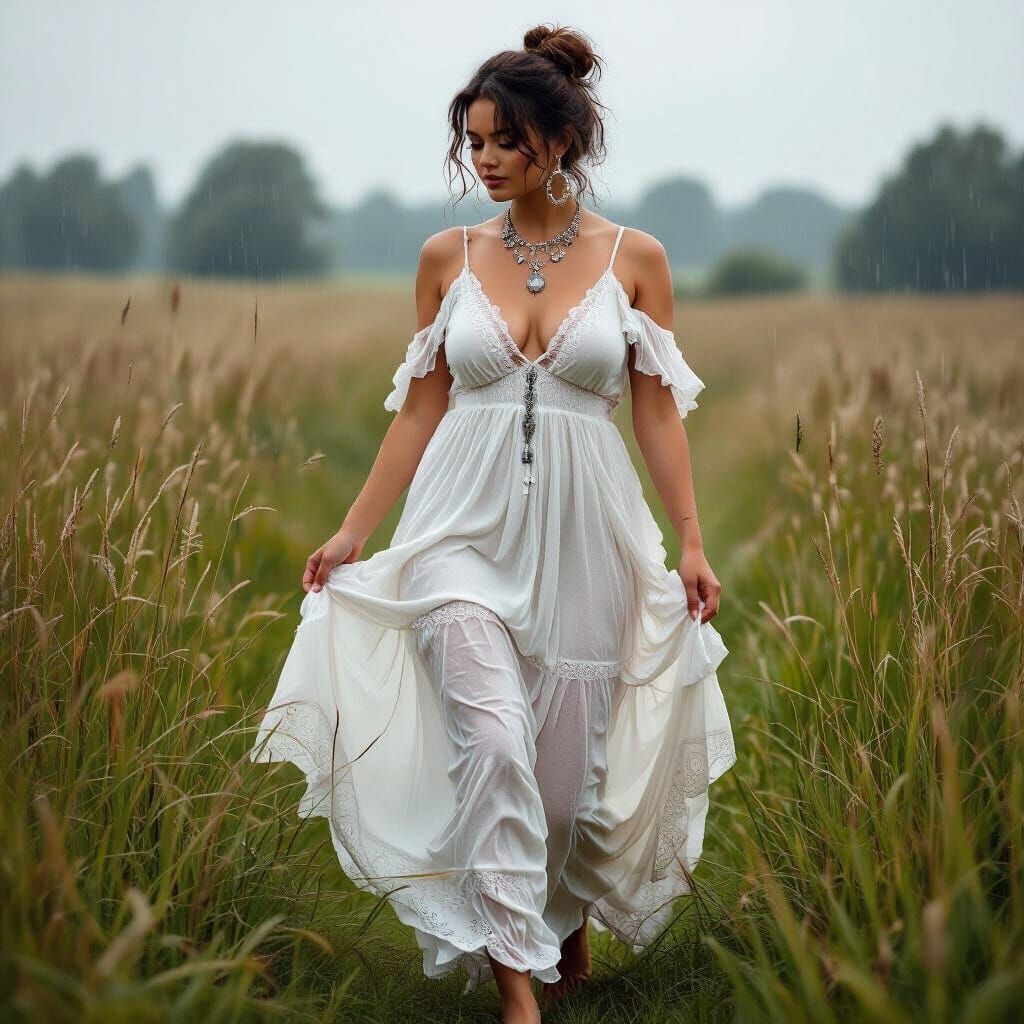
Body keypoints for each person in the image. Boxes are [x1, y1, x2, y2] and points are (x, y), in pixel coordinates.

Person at [251, 23, 736, 1024]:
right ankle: (516, 993)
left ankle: (559, 926)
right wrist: (352, 531)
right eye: (471, 141)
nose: (482, 161)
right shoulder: (447, 257)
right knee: (492, 743)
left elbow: (653, 410)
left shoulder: (634, 258)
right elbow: (421, 407)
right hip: (456, 536)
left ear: (558, 142)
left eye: (501, 142)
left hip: (586, 540)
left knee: (563, 794)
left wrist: (687, 540)